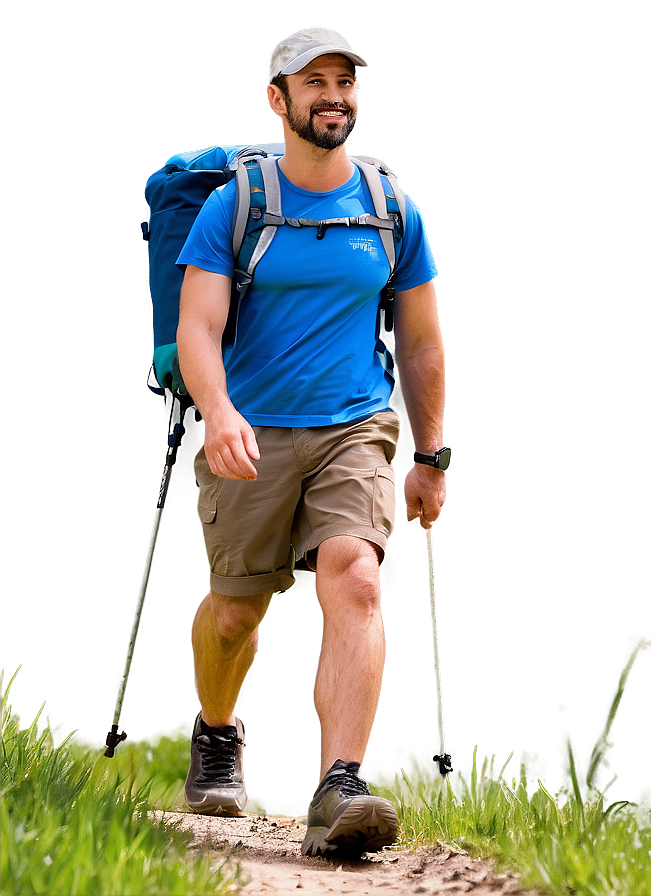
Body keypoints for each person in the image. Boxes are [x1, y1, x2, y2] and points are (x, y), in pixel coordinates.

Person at [175, 25, 448, 857]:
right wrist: (218, 411)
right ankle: (217, 731)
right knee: (233, 615)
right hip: (251, 430)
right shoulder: (239, 204)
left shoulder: (394, 207)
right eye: (314, 80)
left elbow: (425, 341)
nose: (333, 94)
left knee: (356, 576)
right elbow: (198, 323)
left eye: (345, 81)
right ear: (278, 98)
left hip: (355, 426)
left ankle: (341, 786)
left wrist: (432, 455)